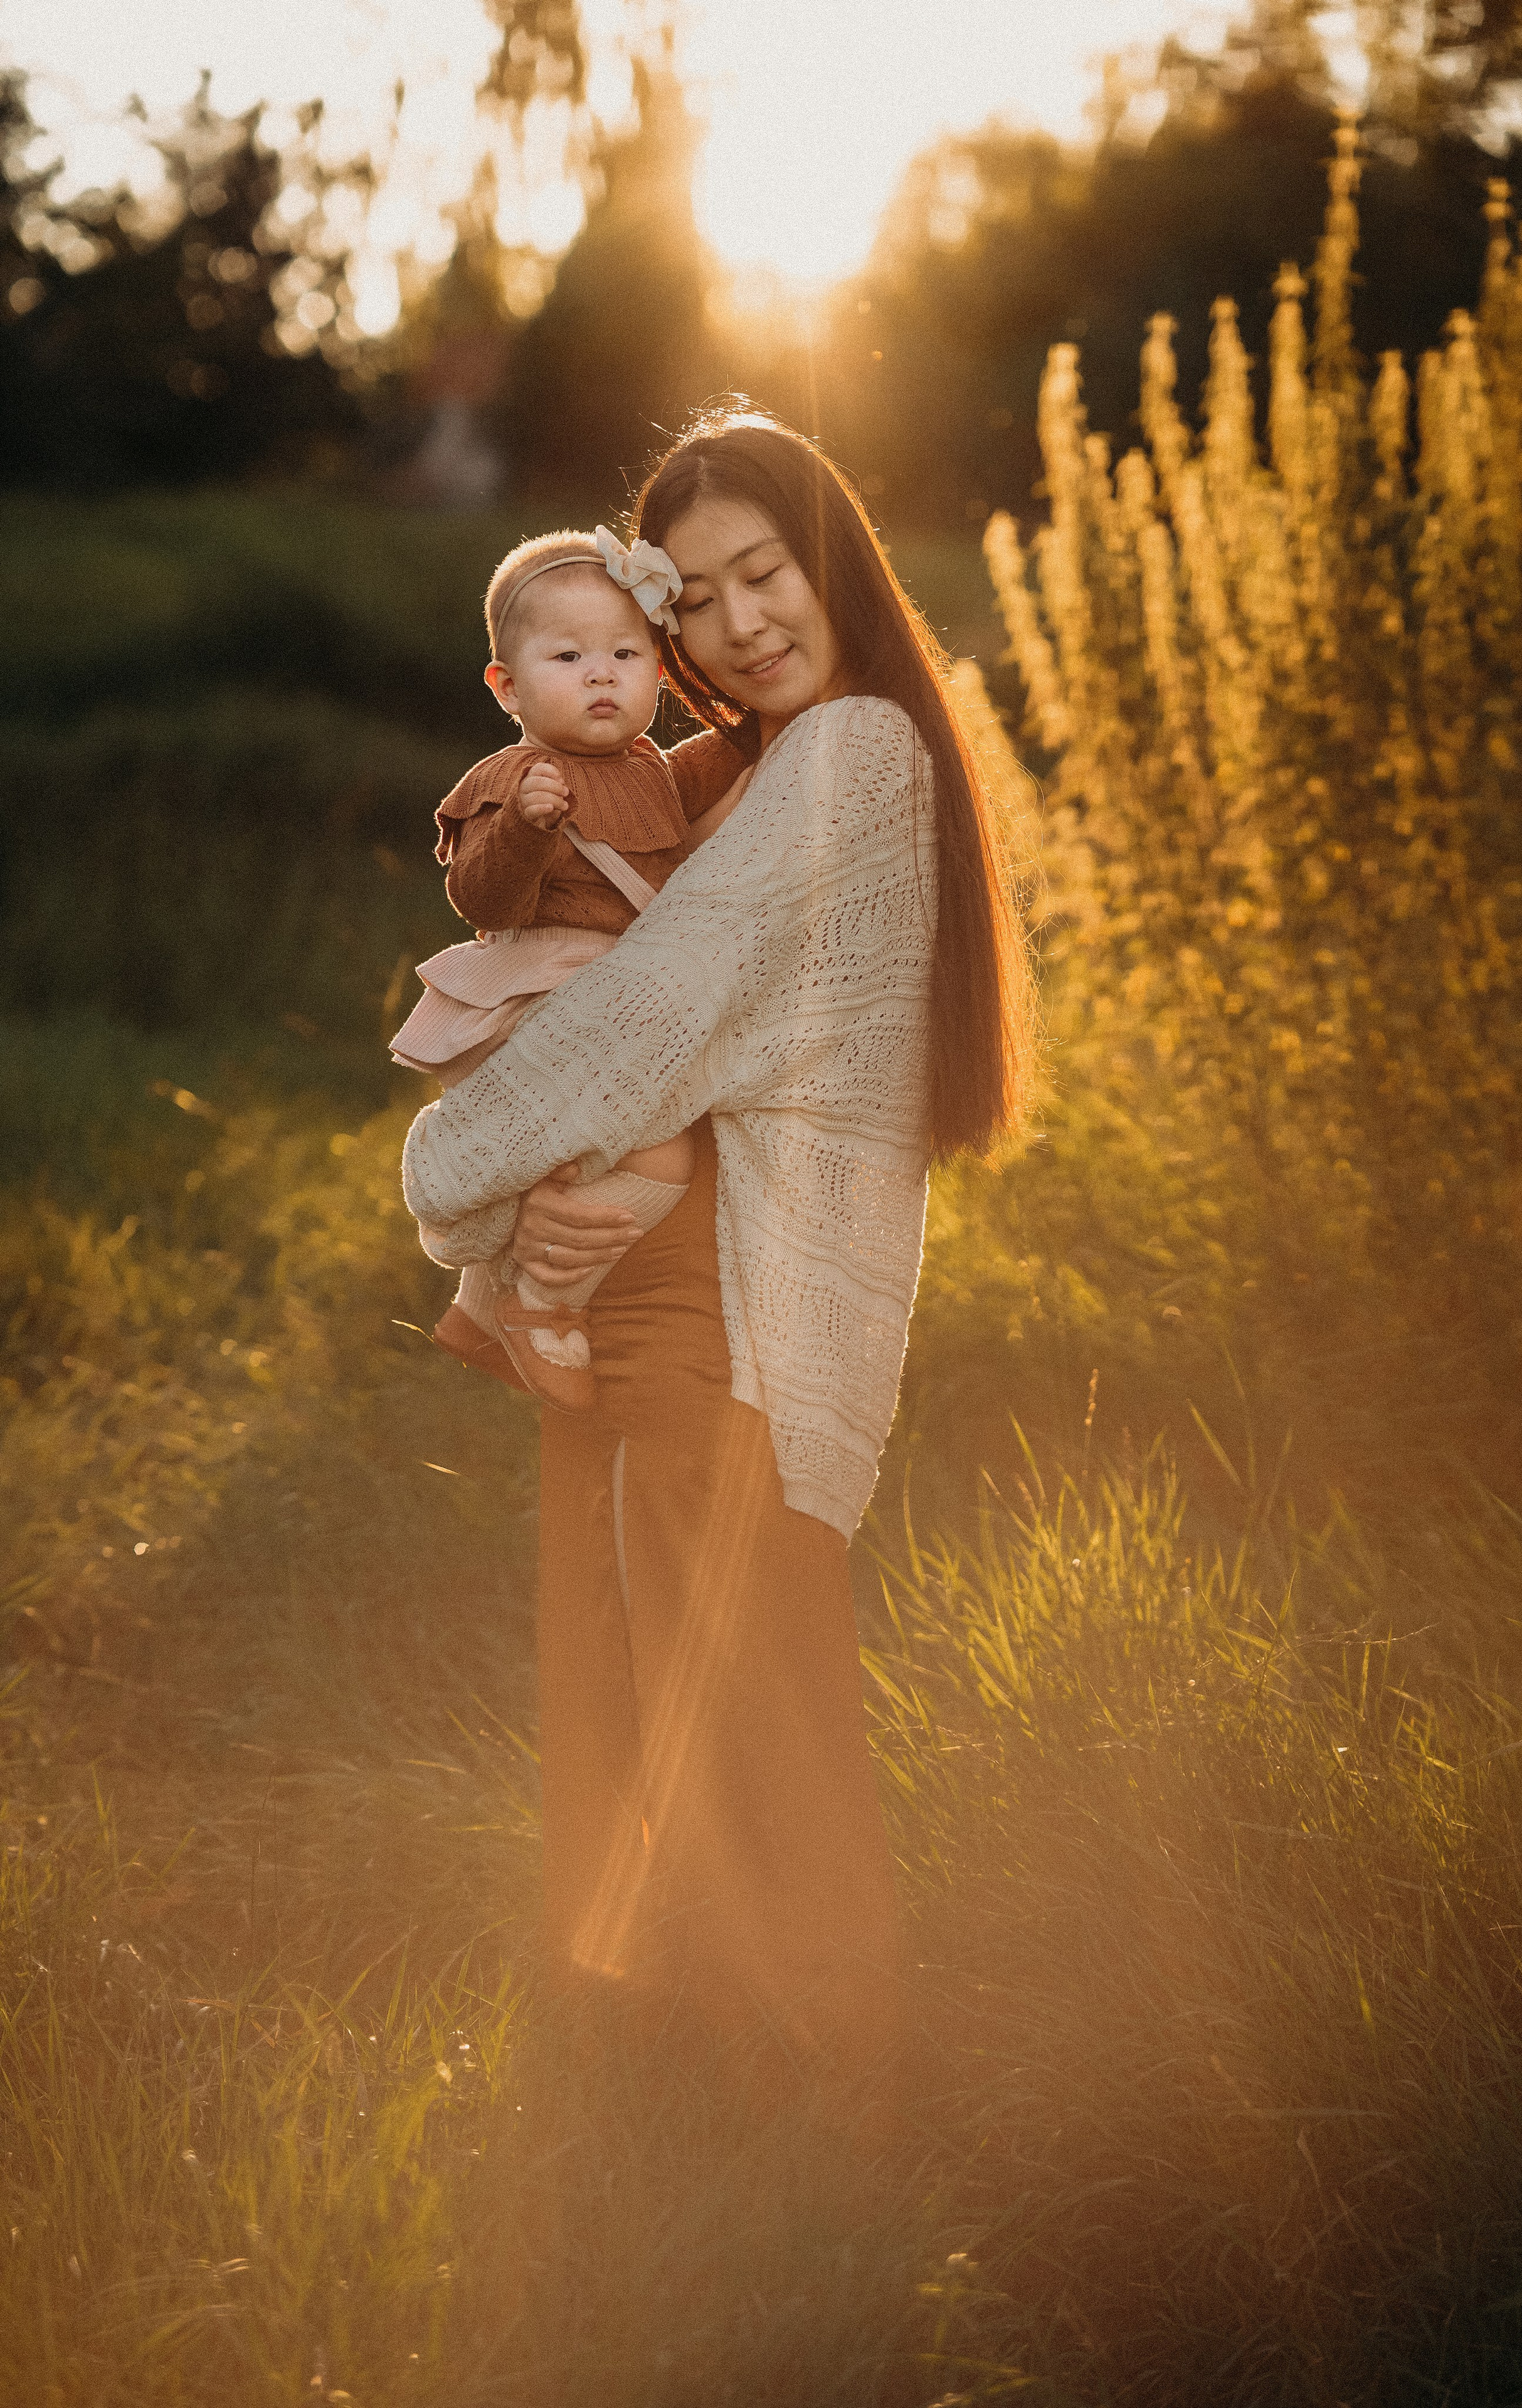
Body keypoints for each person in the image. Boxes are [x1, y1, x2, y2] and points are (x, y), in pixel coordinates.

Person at [402, 411, 1030, 2086]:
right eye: (703, 600)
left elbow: (654, 1024)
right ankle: (704, 2118)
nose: (746, 622)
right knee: (664, 1731)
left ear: (838, 565)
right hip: (675, 1319)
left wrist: (454, 1175)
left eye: (774, 573)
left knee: (762, 1743)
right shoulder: (733, 771)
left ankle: (840, 2142)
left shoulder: (850, 758)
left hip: (735, 1338)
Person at [391, 525, 748, 1410]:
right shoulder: (513, 779)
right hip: (543, 1003)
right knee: (658, 1160)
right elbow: (482, 900)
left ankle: (485, 1301)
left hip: (616, 1007)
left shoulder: (651, 774)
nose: (601, 673)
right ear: (507, 686)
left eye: (626, 653)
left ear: (659, 675)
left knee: (600, 1155)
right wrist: (525, 827)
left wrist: (774, 724)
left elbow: (733, 757)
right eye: (568, 655)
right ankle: (545, 1300)